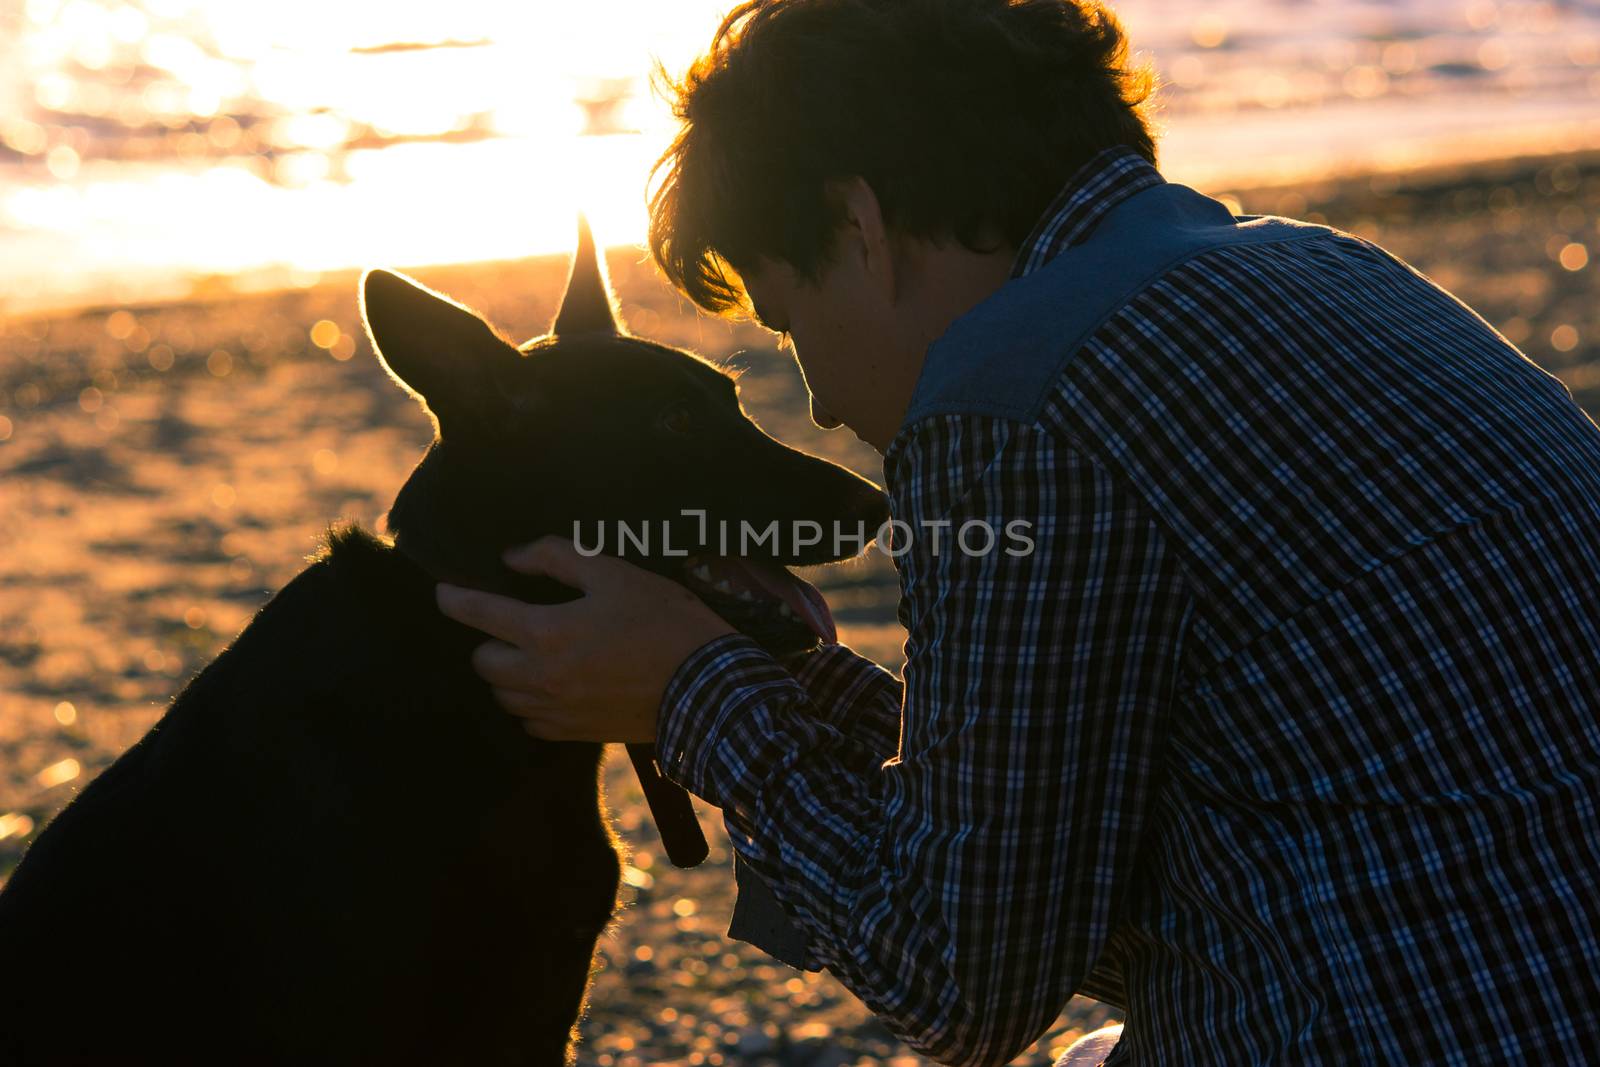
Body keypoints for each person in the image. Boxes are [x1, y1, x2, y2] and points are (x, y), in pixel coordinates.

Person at [433, 1, 1600, 1064]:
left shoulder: (1015, 399)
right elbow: (1086, 832)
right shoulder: (1326, 269)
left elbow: (961, 978)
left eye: (790, 320)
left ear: (857, 222)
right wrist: (792, 685)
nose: (825, 402)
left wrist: (689, 691)